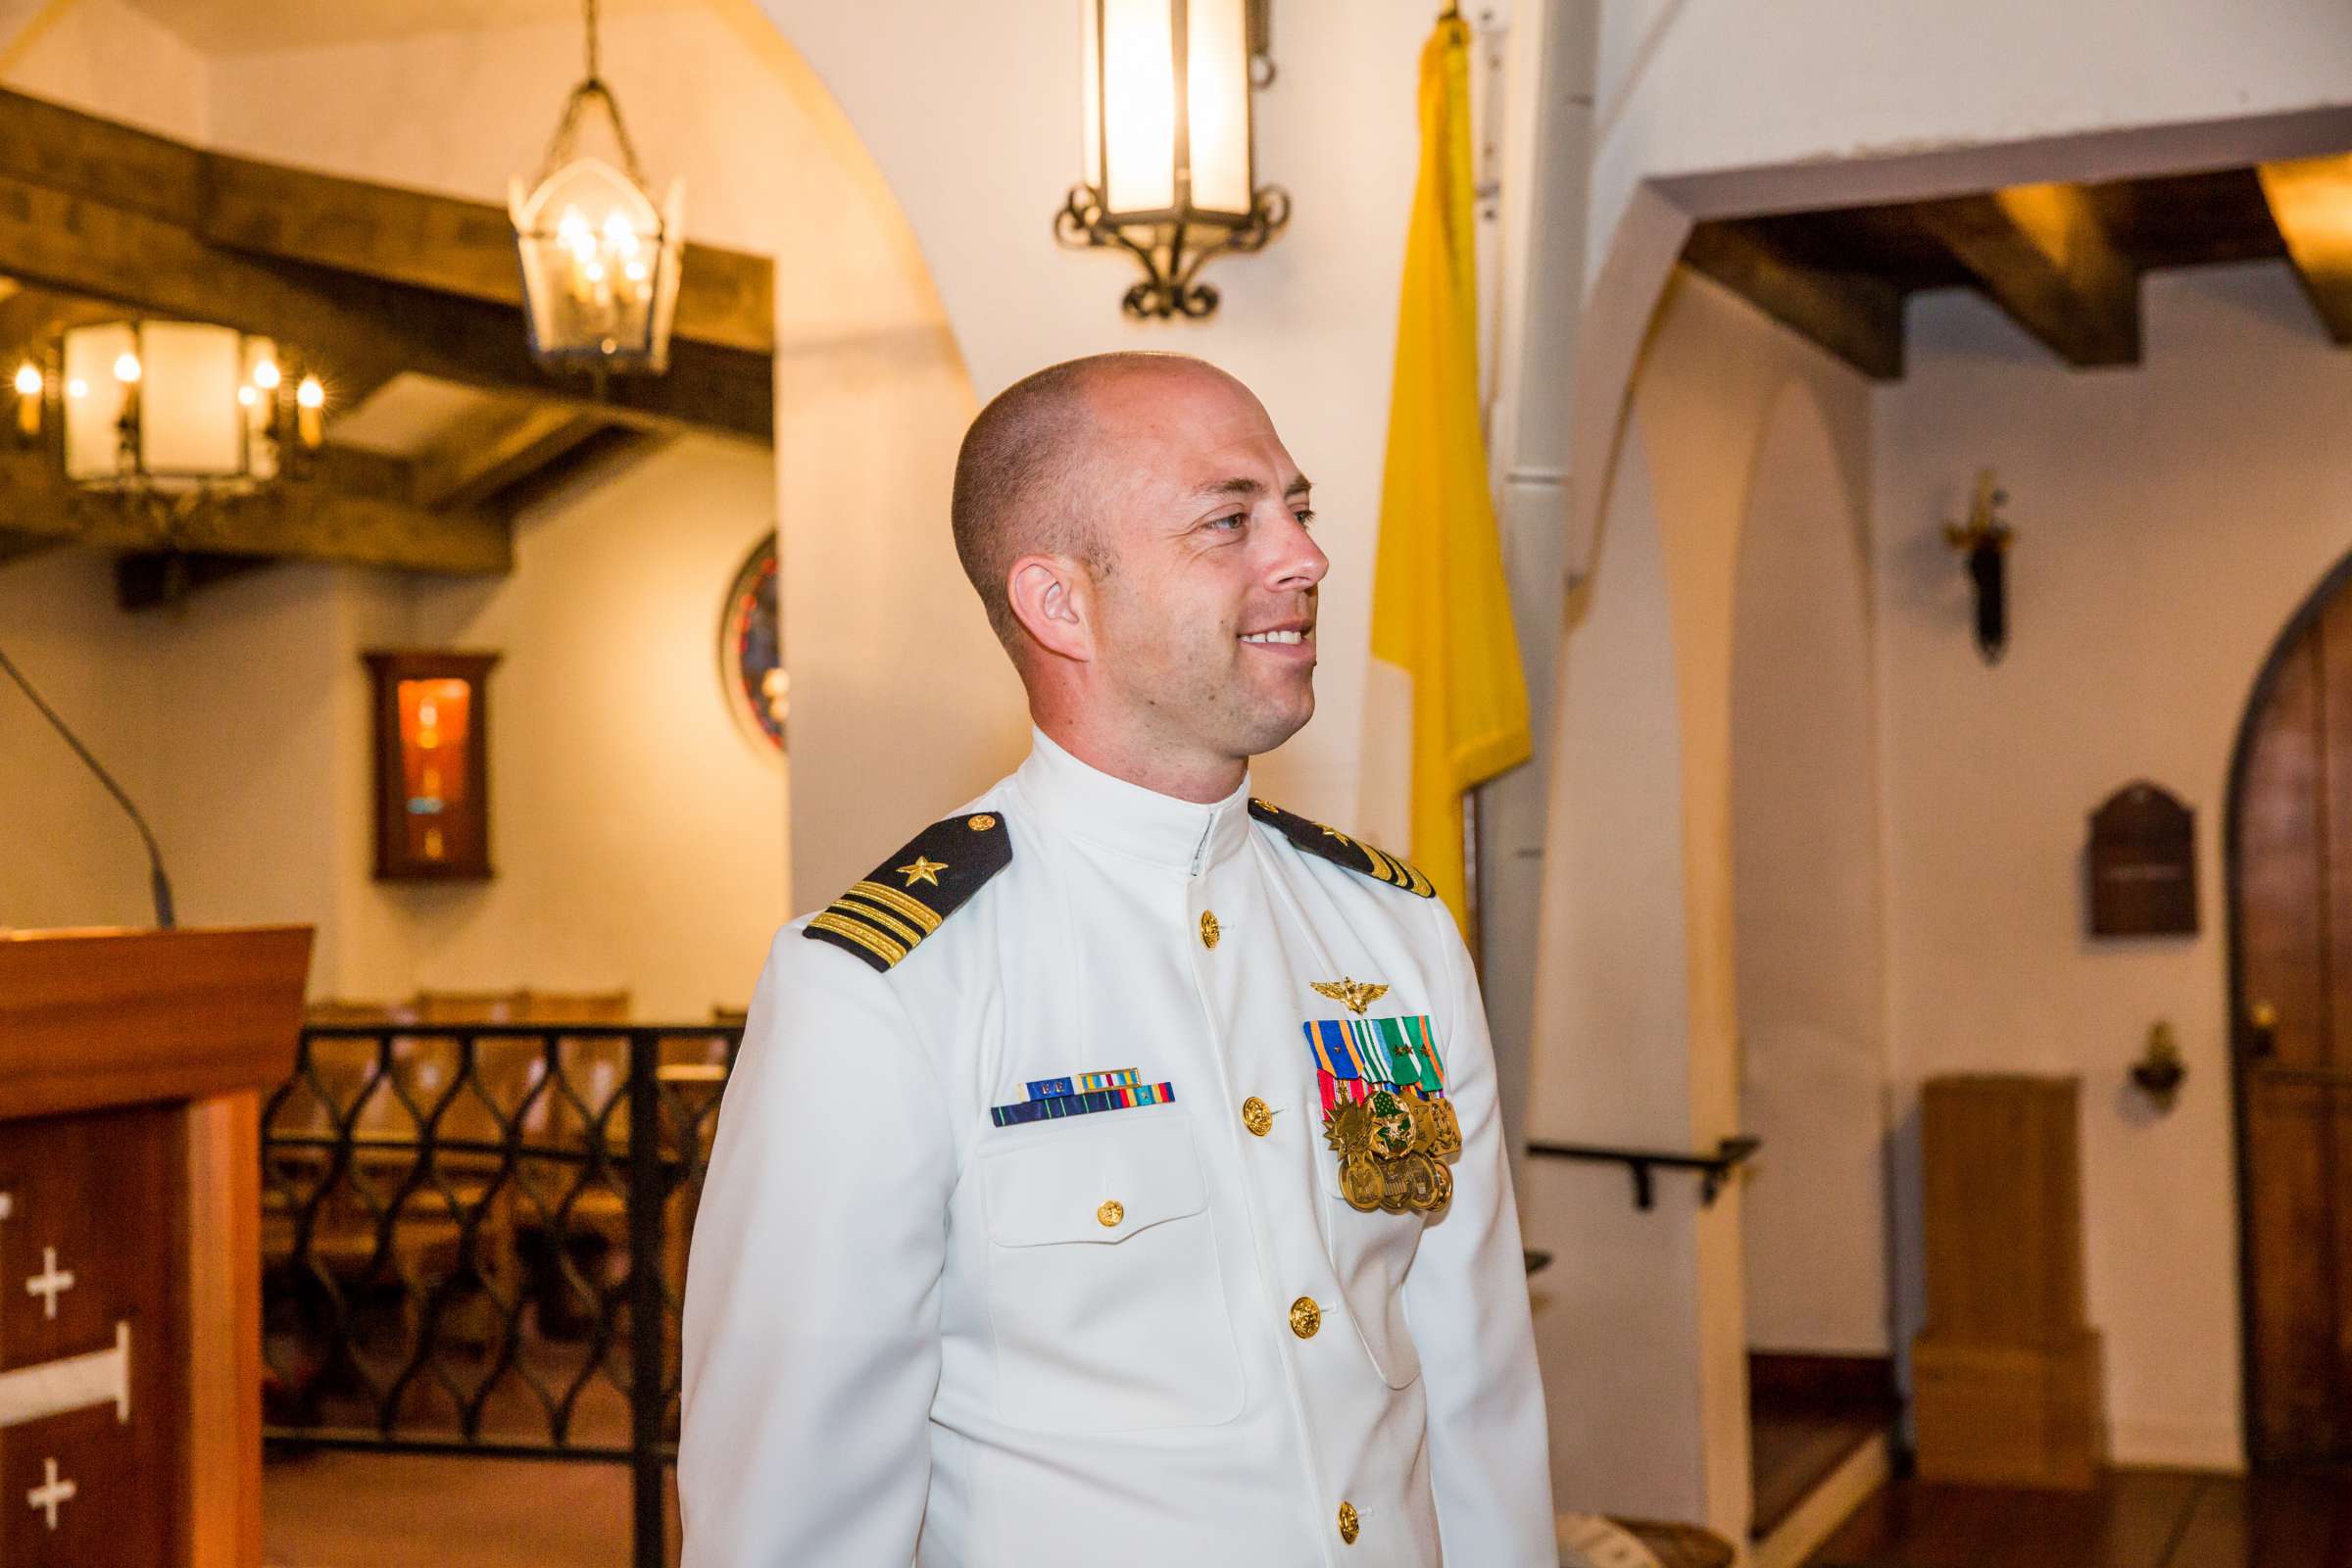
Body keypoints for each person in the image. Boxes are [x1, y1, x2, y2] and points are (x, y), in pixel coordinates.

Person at [679, 352, 1554, 1566]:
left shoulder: (1391, 934)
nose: (1303, 556)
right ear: (1059, 603)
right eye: (1230, 519)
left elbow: (1476, 1391)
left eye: (1297, 509)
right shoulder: (885, 987)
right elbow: (794, 1516)